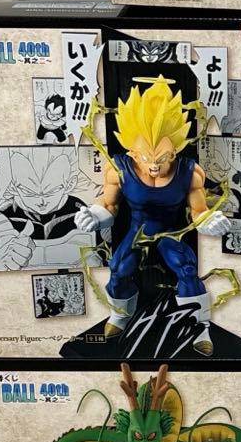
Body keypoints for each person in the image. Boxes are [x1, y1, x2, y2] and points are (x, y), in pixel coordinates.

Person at [74, 77, 230, 355]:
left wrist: (209, 220)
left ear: (175, 150)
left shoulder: (189, 171)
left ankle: (199, 326)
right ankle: (120, 314)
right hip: (138, 228)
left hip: (171, 231)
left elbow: (198, 210)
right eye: (147, 159)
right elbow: (109, 206)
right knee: (119, 267)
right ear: (132, 152)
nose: (155, 166)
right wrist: (94, 216)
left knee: (186, 268)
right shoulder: (119, 169)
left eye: (163, 158)